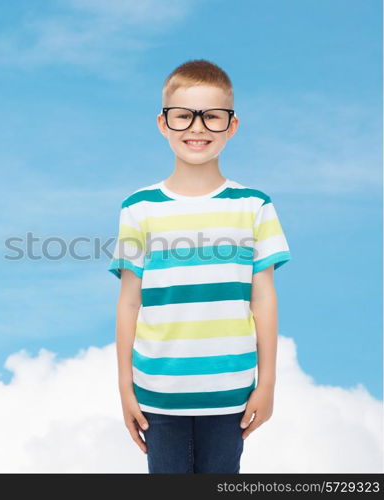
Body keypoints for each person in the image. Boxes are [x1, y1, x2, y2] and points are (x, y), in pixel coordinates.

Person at [107, 59, 292, 474]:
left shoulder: (254, 205)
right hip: (158, 394)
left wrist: (268, 383)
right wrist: (125, 387)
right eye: (183, 116)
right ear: (163, 123)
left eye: (212, 116)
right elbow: (129, 303)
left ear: (232, 125)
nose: (197, 128)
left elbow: (263, 299)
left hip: (231, 394)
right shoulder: (138, 208)